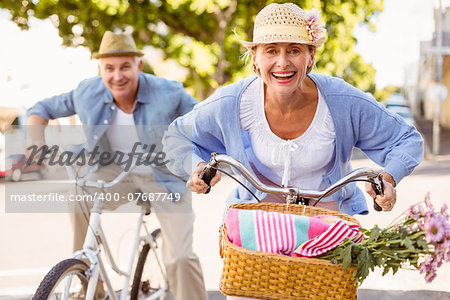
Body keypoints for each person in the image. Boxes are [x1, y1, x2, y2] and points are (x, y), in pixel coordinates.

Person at [163, 2, 424, 218]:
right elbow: (176, 136)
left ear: (311, 56)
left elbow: (407, 139)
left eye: (295, 50)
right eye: (271, 50)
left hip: (327, 227)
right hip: (257, 224)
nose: (283, 62)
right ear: (255, 57)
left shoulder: (343, 101)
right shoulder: (231, 103)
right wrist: (195, 167)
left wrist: (388, 178)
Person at [27, 31, 207, 300]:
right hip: (114, 170)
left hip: (164, 176)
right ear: (100, 69)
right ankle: (88, 281)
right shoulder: (87, 91)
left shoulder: (169, 92)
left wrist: (200, 163)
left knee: (179, 258)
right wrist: (36, 144)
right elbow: (40, 109)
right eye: (109, 68)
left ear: (139, 66)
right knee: (77, 197)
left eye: (125, 66)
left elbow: (206, 122)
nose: (117, 76)